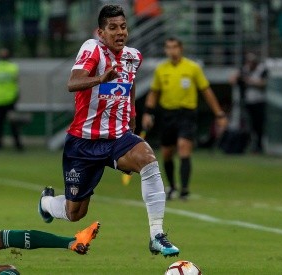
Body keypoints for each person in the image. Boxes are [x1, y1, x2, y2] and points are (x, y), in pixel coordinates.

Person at [38, 5, 180, 258]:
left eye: (123, 27)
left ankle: (156, 235)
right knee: (75, 213)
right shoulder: (92, 49)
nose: (120, 32)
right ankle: (47, 203)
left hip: (117, 137)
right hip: (83, 143)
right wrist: (101, 78)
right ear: (101, 32)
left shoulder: (133, 56)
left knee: (148, 161)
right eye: (113, 28)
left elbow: (131, 81)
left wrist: (133, 117)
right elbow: (73, 83)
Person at [141, 37, 228, 200]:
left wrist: (219, 113)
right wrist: (147, 112)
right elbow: (154, 92)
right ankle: (172, 186)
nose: (171, 51)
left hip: (186, 114)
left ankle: (185, 189)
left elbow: (206, 91)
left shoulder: (192, 68)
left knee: (183, 146)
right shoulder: (161, 69)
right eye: (168, 47)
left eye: (174, 47)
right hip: (167, 114)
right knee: (167, 153)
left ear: (181, 48)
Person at [229, 52, 268, 153]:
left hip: (259, 101)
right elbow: (231, 80)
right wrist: (238, 75)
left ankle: (259, 146)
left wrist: (249, 81)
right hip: (247, 101)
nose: (250, 64)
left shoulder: (262, 69)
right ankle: (248, 145)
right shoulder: (244, 70)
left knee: (258, 125)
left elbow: (263, 83)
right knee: (247, 124)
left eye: (252, 62)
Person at [0, 48, 23, 151]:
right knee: (13, 124)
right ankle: (17, 144)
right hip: (10, 99)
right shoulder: (13, 67)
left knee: (0, 124)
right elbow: (16, 80)